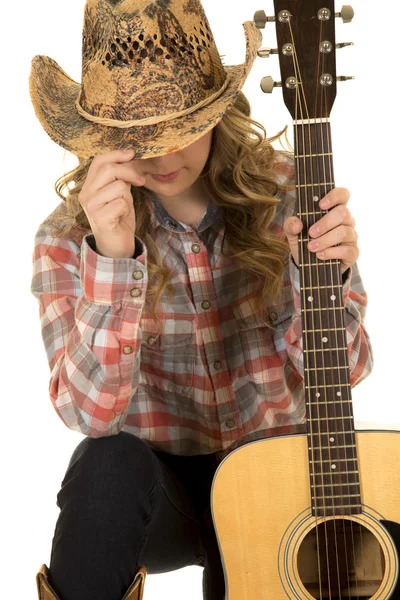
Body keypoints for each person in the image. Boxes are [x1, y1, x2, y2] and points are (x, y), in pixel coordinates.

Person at [28, 0, 373, 599]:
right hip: (160, 495)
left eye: (184, 130)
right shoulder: (66, 238)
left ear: (219, 113)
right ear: (104, 139)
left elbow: (347, 373)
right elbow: (90, 416)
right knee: (102, 466)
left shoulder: (294, 188)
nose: (164, 157)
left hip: (274, 483)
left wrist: (321, 279)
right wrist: (113, 258)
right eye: (140, 138)